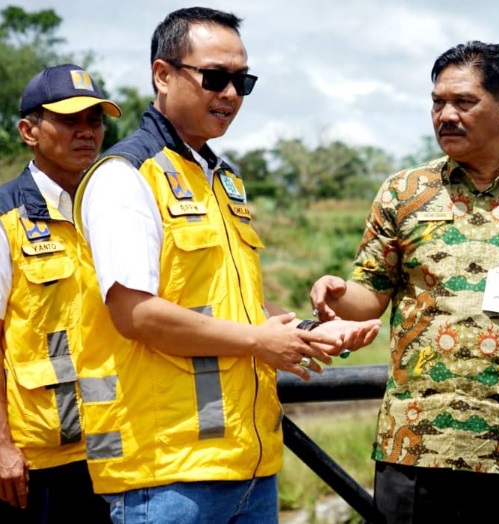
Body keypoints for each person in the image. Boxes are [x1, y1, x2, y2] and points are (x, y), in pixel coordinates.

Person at [72, 7, 381, 523]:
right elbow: (136, 315)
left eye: (243, 81)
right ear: (162, 75)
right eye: (215, 78)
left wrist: (306, 331)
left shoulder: (221, 179)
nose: (231, 94)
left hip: (248, 464)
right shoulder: (125, 177)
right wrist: (262, 343)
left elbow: (235, 305)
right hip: (166, 474)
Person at [310, 41, 499, 524]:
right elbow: (369, 297)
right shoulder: (403, 193)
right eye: (437, 102)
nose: (445, 115)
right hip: (414, 444)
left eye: (463, 102)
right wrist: (337, 293)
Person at [0, 64, 118, 523]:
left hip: (114, 449)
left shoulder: (113, 210)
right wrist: (2, 445)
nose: (86, 132)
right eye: (69, 120)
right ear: (29, 130)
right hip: (35, 461)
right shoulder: (6, 217)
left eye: (94, 120)